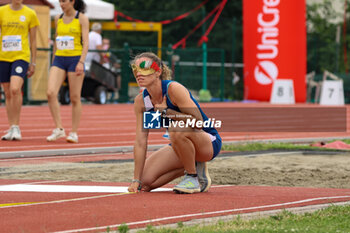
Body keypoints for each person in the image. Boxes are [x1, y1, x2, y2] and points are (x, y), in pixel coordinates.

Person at [127, 52, 222, 194]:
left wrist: (167, 112)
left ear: (158, 71)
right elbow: (141, 142)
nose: (139, 74)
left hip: (207, 141)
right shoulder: (141, 101)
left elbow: (198, 123)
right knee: (145, 183)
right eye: (135, 69)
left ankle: (192, 177)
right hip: (179, 142)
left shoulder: (173, 89)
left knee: (175, 128)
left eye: (144, 68)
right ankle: (195, 166)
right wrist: (136, 180)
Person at [46, 0, 89, 143]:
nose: (61, 4)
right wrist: (53, 61)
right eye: (60, 1)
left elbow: (86, 43)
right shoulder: (57, 18)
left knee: (74, 97)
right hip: (59, 59)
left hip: (75, 59)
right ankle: (59, 128)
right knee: (51, 92)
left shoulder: (81, 18)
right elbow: (56, 40)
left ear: (72, 2)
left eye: (64, 1)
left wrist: (81, 62)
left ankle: (74, 132)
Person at [0, 0, 39, 140]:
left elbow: (33, 40)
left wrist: (33, 62)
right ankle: (11, 127)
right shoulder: (2, 11)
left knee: (15, 89)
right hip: (3, 56)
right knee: (7, 92)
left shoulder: (30, 13)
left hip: (21, 56)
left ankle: (16, 126)